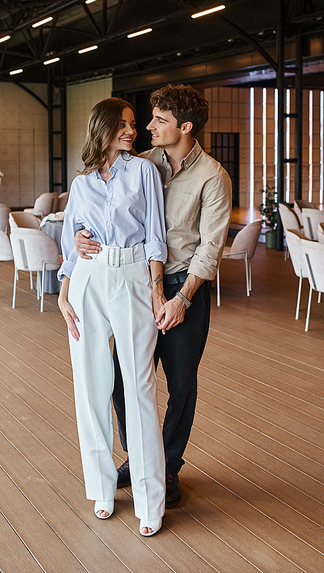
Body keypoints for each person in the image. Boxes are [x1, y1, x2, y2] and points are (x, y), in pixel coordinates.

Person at [75, 84, 232, 509]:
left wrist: (180, 298)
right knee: (125, 378)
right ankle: (141, 456)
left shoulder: (213, 177)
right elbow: (104, 211)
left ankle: (167, 466)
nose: (147, 126)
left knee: (181, 384)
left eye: (159, 120)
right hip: (140, 285)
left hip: (185, 289)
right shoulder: (140, 163)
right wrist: (78, 236)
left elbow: (210, 248)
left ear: (184, 127)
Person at [58, 97, 167, 537]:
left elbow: (156, 236)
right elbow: (70, 247)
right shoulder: (81, 183)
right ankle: (103, 488)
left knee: (139, 386)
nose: (131, 131)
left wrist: (158, 292)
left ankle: (149, 498)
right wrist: (64, 295)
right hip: (86, 282)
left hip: (131, 276)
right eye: (122, 124)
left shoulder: (144, 172)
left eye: (133, 125)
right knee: (91, 387)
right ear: (102, 128)